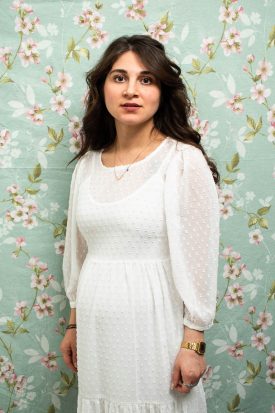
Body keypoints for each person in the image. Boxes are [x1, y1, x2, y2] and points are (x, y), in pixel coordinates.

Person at [60, 34, 220, 413]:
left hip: (156, 326)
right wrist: (73, 324)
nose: (132, 90)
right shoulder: (87, 165)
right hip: (98, 331)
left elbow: (200, 260)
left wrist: (193, 343)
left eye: (146, 79)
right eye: (119, 77)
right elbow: (79, 252)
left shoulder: (182, 160)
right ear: (102, 88)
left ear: (162, 91)